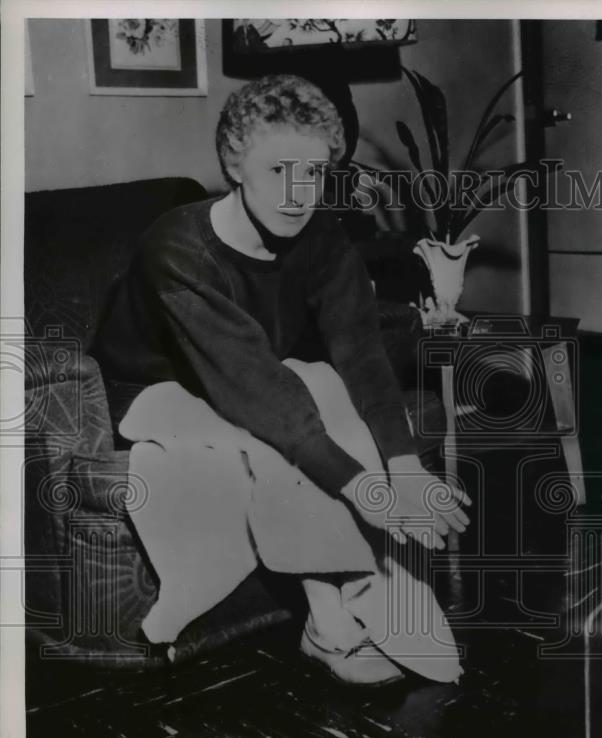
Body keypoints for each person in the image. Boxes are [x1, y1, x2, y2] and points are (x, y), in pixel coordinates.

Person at [93, 74, 471, 685]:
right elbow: (261, 394)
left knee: (322, 379)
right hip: (152, 385)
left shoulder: (322, 235)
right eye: (278, 170)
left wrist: (402, 465)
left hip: (251, 369)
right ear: (234, 165)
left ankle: (377, 592)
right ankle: (329, 624)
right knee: (273, 438)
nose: (299, 193)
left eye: (316, 173)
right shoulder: (180, 248)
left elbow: (360, 350)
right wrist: (364, 490)